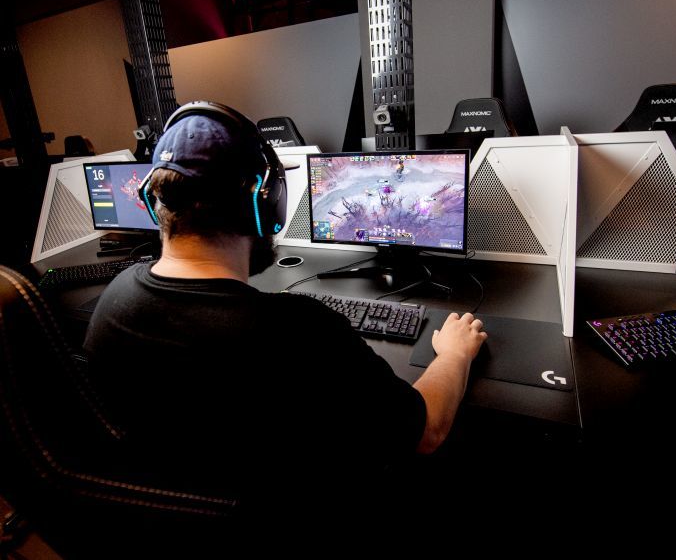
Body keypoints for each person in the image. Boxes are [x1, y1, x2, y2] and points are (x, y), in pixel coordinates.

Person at [83, 102, 487, 486]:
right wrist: (454, 355)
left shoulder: (115, 301)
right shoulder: (297, 329)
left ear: (153, 203)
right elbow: (427, 431)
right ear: (265, 204)